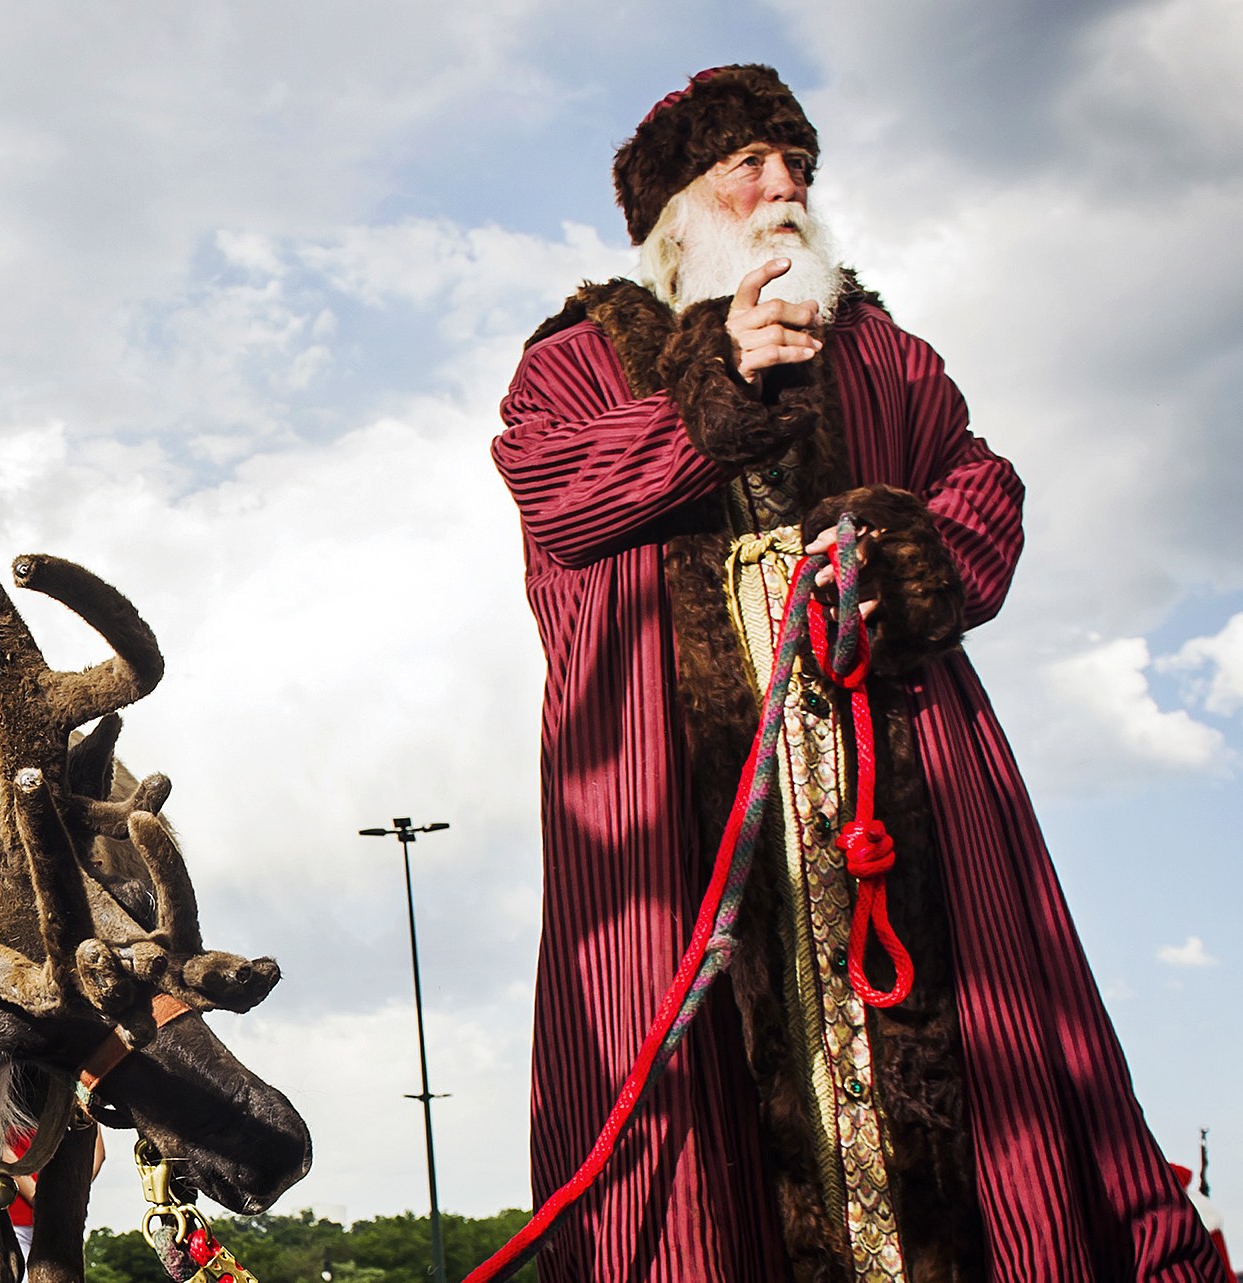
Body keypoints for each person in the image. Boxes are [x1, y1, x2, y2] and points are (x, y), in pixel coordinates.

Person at [492, 65, 1223, 1281]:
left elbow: (980, 485)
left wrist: (903, 559)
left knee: (996, 1089)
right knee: (679, 1137)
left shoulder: (880, 351)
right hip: (680, 816)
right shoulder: (581, 358)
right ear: (677, 207)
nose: (784, 189)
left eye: (799, 169)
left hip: (908, 796)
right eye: (748, 167)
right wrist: (716, 387)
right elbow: (556, 492)